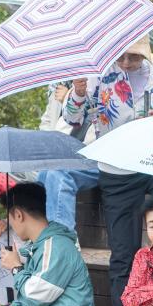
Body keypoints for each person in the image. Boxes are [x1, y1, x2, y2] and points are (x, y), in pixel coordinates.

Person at [63, 36, 153, 306]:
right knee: (123, 249)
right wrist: (78, 93)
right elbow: (72, 118)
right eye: (122, 57)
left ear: (145, 55)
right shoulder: (97, 77)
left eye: (134, 57)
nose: (127, 63)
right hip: (116, 167)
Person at [36, 79, 99, 229]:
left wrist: (69, 98)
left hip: (93, 154)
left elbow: (97, 119)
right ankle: (42, 236)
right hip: (59, 152)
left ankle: (62, 238)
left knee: (57, 173)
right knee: (41, 174)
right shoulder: (56, 83)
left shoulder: (98, 81)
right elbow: (47, 121)